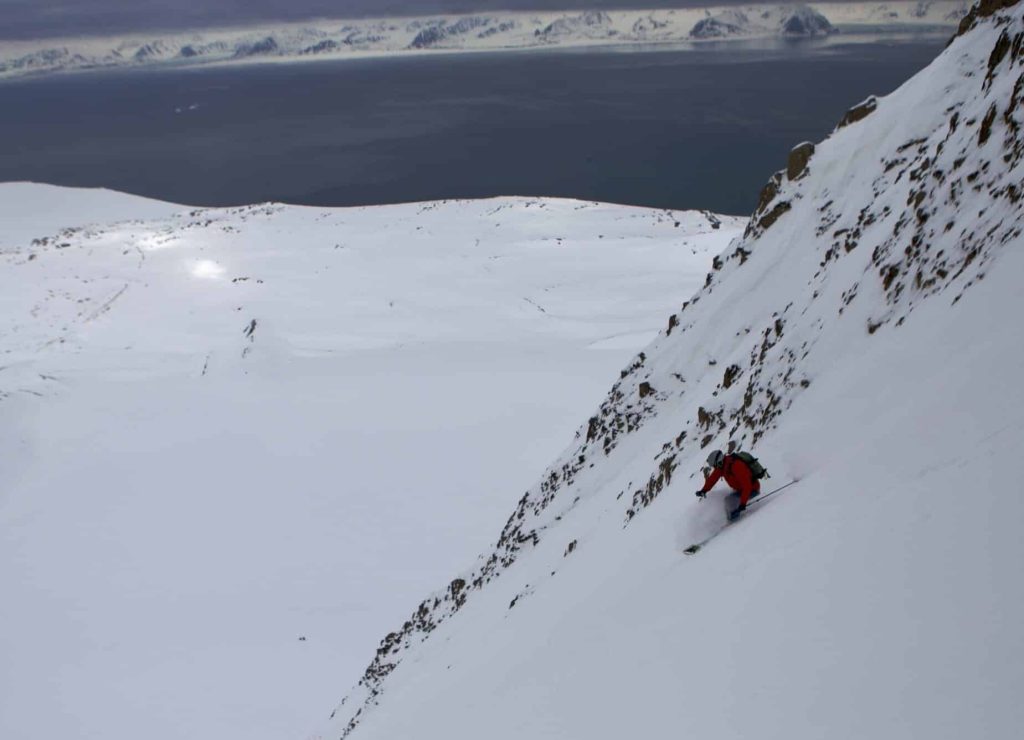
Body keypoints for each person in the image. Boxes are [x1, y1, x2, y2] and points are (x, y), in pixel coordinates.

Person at [695, 449, 761, 520]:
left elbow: (747, 485)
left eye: (715, 465)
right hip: (741, 490)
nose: (715, 468)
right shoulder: (722, 466)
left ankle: (734, 520)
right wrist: (704, 490)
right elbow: (712, 479)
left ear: (719, 462)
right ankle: (731, 517)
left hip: (752, 489)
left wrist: (743, 503)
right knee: (728, 500)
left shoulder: (736, 465)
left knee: (729, 500)